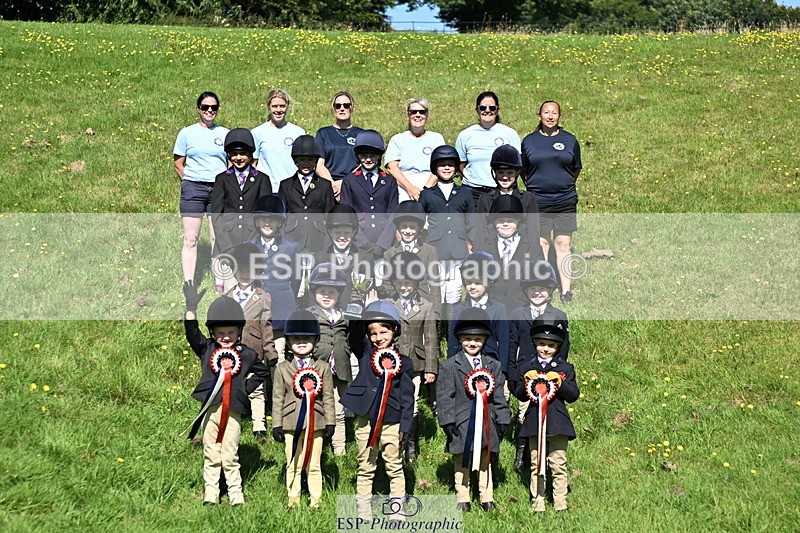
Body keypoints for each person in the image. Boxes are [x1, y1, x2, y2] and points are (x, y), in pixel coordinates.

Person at [182, 285, 268, 506]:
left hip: (233, 411)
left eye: (231, 332)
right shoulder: (207, 349)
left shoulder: (246, 353)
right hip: (211, 409)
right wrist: (191, 308)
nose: (226, 337)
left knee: (230, 453)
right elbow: (192, 334)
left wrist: (244, 389)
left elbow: (262, 372)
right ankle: (211, 493)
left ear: (239, 331)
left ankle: (235, 493)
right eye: (221, 333)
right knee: (211, 451)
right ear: (213, 333)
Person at [340, 301, 414, 520]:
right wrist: (357, 314)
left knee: (394, 466)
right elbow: (355, 337)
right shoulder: (365, 352)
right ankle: (364, 512)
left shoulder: (405, 363)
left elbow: (408, 398)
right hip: (366, 419)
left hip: (393, 420)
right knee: (365, 465)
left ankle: (397, 513)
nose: (378, 337)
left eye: (383, 332)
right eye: (373, 333)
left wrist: (405, 427)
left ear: (394, 331)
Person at [437, 307, 510, 512]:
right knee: (462, 459)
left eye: (478, 339)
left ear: (485, 340)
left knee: (486, 459)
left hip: (488, 421)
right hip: (461, 421)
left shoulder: (493, 365)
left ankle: (487, 497)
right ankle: (463, 496)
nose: (472, 343)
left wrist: (503, 418)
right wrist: (447, 421)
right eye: (468, 338)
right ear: (460, 339)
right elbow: (445, 397)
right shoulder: (449, 366)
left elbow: (498, 396)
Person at [508, 260, 570, 471]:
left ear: (550, 291)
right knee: (524, 412)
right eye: (532, 288)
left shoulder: (559, 316)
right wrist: (512, 373)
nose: (537, 292)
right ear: (526, 290)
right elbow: (512, 344)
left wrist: (559, 372)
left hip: (551, 374)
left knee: (548, 413)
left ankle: (547, 454)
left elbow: (564, 347)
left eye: (542, 288)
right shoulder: (518, 314)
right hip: (527, 372)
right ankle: (522, 454)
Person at [271, 309, 335, 509]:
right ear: (288, 342)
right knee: (293, 462)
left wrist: (331, 422)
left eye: (307, 338)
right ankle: (293, 498)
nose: (301, 342)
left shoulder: (323, 367)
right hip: (290, 423)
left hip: (317, 422)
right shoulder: (282, 369)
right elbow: (278, 398)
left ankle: (316, 499)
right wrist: (276, 424)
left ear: (315, 340)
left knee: (314, 464)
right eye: (296, 338)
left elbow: (328, 397)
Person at [514, 321, 579, 512]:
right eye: (541, 344)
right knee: (536, 463)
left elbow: (573, 395)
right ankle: (538, 502)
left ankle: (560, 502)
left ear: (557, 347)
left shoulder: (565, 368)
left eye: (551, 345)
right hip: (534, 422)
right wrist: (526, 382)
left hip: (558, 423)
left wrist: (560, 383)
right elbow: (519, 394)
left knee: (558, 463)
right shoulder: (527, 366)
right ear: (535, 343)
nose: (546, 348)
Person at [521, 100, 582, 303]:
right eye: (546, 112)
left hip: (565, 200)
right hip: (538, 202)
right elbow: (524, 171)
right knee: (542, 244)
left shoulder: (570, 140)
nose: (550, 116)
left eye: (554, 113)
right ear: (539, 116)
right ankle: (544, 287)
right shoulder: (529, 141)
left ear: (559, 116)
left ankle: (566, 292)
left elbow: (575, 169)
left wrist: (562, 185)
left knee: (563, 244)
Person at [385, 251, 439, 463]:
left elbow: (431, 339)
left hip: (416, 363)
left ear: (416, 283)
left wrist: (431, 368)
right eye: (400, 283)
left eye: (408, 283)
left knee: (412, 403)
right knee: (393, 401)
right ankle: (392, 441)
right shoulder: (388, 304)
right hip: (391, 362)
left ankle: (411, 444)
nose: (404, 287)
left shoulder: (426, 306)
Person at [222, 242, 278, 441]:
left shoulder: (263, 297)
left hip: (254, 348)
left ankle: (259, 426)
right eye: (241, 270)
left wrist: (270, 350)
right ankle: (229, 419)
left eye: (250, 270)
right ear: (234, 271)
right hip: (231, 351)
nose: (245, 274)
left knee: (257, 389)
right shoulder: (227, 296)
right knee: (230, 385)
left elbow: (266, 325)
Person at [174, 91, 230, 285]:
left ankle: (219, 282)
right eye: (205, 107)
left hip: (219, 190)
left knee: (217, 237)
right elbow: (178, 163)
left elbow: (231, 163)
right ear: (198, 108)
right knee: (191, 238)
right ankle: (189, 283)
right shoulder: (186, 133)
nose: (209, 110)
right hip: (193, 190)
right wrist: (189, 182)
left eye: (214, 107)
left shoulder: (225, 134)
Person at [419, 145, 475, 331]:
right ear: (435, 168)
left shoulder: (465, 193)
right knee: (437, 291)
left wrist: (473, 243)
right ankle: (434, 333)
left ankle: (452, 332)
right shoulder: (427, 194)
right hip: (436, 249)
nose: (446, 168)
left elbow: (471, 221)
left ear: (456, 168)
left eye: (450, 165)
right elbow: (420, 221)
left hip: (458, 249)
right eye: (442, 165)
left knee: (454, 291)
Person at [306, 262, 354, 456]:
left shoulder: (346, 315)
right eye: (322, 291)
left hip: (340, 370)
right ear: (314, 292)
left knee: (339, 410)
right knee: (316, 407)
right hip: (318, 369)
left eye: (332, 292)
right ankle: (314, 446)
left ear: (339, 294)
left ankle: (339, 449)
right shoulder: (309, 314)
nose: (326, 296)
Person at [247, 195, 301, 363]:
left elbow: (296, 278)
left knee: (279, 354)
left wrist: (287, 295)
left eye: (272, 220)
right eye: (263, 219)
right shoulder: (249, 246)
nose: (267, 223)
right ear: (257, 222)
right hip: (256, 307)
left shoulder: (291, 247)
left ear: (279, 222)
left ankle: (278, 380)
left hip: (280, 306)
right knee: (255, 354)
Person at [210, 128, 272, 269]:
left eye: (243, 153)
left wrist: (255, 242)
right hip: (227, 240)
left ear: (250, 154)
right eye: (234, 154)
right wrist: (226, 246)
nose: (238, 158)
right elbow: (217, 214)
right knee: (227, 280)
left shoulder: (262, 179)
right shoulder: (221, 179)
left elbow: (265, 214)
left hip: (253, 239)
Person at [447, 252, 510, 385]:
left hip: (491, 365)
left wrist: (503, 371)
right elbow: (453, 342)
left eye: (477, 283)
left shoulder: (498, 309)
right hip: (464, 366)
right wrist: (450, 368)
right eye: (468, 282)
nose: (472, 287)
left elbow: (504, 342)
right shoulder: (459, 309)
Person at [478, 194, 544, 314]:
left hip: (522, 309)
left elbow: (541, 280)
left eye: (511, 220)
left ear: (519, 222)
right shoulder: (484, 249)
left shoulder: (533, 248)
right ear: (493, 222)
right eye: (500, 220)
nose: (505, 224)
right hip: (491, 309)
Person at [455, 91, 521, 206]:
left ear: (497, 110)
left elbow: (517, 164)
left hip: (502, 191)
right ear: (477, 110)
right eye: (483, 107)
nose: (487, 110)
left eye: (492, 107)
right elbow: (460, 164)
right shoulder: (465, 135)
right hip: (473, 193)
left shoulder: (510, 134)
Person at [339, 129, 399, 248]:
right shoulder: (350, 180)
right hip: (358, 240)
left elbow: (393, 214)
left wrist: (383, 245)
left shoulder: (389, 181)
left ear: (379, 156)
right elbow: (347, 214)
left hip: (383, 238)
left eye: (372, 155)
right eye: (363, 156)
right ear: (358, 156)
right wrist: (363, 244)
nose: (368, 159)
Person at [475, 144, 540, 250]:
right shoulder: (485, 199)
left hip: (521, 252)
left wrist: (533, 253)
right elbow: (480, 232)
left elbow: (533, 231)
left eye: (510, 173)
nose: (505, 177)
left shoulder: (528, 198)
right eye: (500, 173)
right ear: (494, 173)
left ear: (517, 173)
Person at [278, 135, 336, 253]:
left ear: (315, 161)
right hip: (292, 236)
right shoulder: (286, 185)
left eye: (310, 160)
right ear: (296, 161)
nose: (306, 163)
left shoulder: (325, 185)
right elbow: (281, 216)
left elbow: (329, 215)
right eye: (302, 160)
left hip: (318, 238)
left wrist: (328, 242)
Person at [381, 200, 441, 311]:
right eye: (404, 227)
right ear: (398, 228)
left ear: (419, 229)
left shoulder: (429, 251)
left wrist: (436, 313)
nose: (408, 231)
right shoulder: (389, 253)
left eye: (412, 227)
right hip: (398, 304)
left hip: (422, 303)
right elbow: (387, 282)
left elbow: (435, 286)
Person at [384, 98, 446, 202]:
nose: (418, 115)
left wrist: (427, 189)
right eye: (413, 112)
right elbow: (392, 167)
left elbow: (441, 165)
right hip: (404, 186)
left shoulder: (436, 138)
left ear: (427, 115)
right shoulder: (397, 139)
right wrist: (410, 188)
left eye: (422, 112)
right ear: (408, 114)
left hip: (431, 184)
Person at [252, 88, 306, 192]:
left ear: (287, 106)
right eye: (274, 106)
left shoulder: (298, 132)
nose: (278, 110)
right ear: (268, 107)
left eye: (282, 106)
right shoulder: (257, 133)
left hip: (292, 189)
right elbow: (254, 164)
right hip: (267, 189)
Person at [315, 91, 364, 200]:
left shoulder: (361, 134)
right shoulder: (323, 133)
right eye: (338, 106)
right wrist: (333, 186)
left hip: (355, 185)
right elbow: (319, 164)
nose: (342, 109)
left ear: (352, 108)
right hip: (329, 187)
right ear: (333, 109)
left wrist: (344, 183)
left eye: (346, 105)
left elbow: (365, 163)